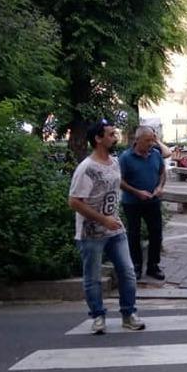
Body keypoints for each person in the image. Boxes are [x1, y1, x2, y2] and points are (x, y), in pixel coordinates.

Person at [68, 119, 145, 334]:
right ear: (98, 139)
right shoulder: (86, 168)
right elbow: (74, 201)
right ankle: (98, 316)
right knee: (92, 276)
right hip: (90, 232)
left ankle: (128, 313)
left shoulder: (114, 162)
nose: (115, 137)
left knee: (128, 271)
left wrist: (115, 215)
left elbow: (114, 185)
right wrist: (103, 220)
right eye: (110, 134)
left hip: (115, 229)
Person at [119, 126, 166, 281]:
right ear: (137, 140)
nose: (151, 143)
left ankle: (153, 265)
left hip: (152, 200)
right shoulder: (125, 157)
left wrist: (159, 187)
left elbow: (162, 173)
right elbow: (119, 180)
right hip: (132, 202)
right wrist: (136, 192)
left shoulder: (156, 154)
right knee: (134, 233)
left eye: (152, 140)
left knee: (156, 233)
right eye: (147, 140)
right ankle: (136, 266)